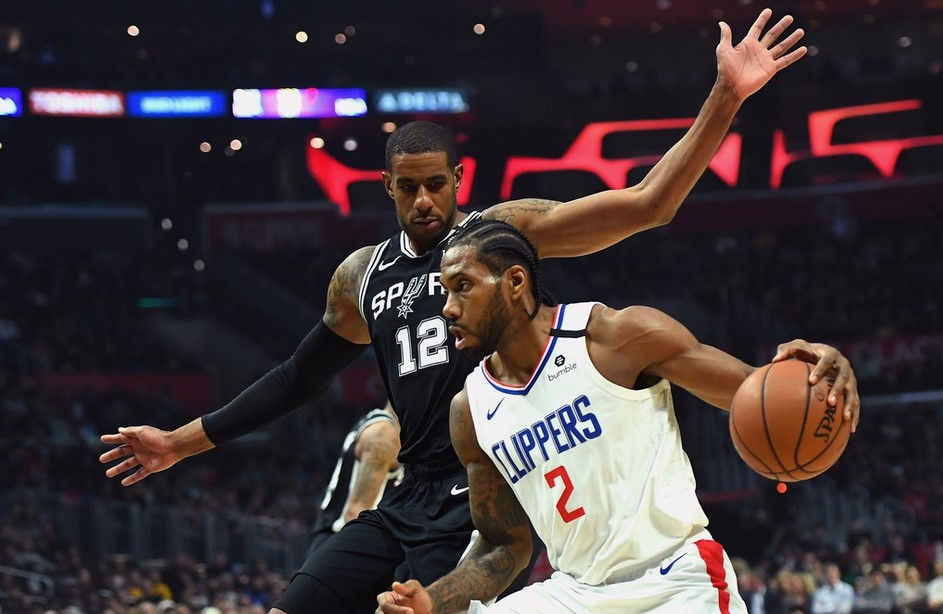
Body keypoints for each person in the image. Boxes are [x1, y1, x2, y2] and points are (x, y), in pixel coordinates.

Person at [100, 9, 812, 612]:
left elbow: (647, 205)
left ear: (458, 182)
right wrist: (178, 443)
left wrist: (723, 97)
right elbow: (295, 378)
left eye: (436, 186)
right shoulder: (360, 277)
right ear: (385, 187)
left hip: (500, 484)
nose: (423, 203)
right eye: (408, 189)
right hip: (431, 480)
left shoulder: (503, 236)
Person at [375, 218, 860, 613]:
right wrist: (432, 602)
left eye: (463, 287)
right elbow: (504, 545)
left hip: (673, 582)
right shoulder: (471, 410)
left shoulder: (616, 337)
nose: (448, 309)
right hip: (574, 594)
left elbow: (753, 393)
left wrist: (819, 373)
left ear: (515, 282)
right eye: (444, 292)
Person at [307, 404, 404, 556]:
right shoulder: (383, 435)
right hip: (341, 543)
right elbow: (355, 512)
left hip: (331, 540)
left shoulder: (379, 422)